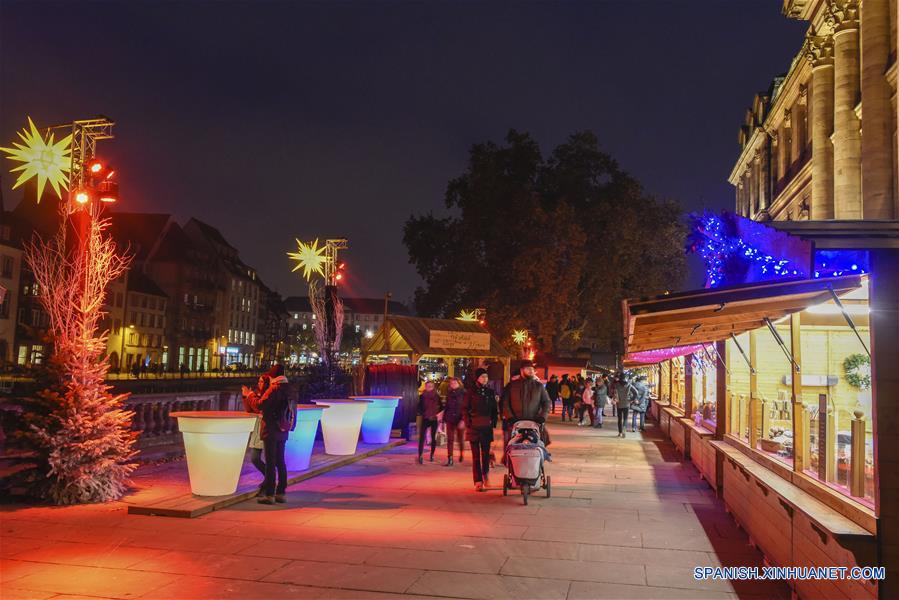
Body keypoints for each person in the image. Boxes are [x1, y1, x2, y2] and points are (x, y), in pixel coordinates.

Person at [253, 364, 291, 504]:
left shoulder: (273, 389)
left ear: (273, 376)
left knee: (270, 463)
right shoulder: (288, 389)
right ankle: (281, 493)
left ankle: (270, 495)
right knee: (280, 461)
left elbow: (260, 405)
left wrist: (250, 395)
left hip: (271, 429)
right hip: (283, 429)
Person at [500, 360, 552, 449]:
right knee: (512, 449)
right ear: (521, 370)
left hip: (534, 423)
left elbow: (546, 402)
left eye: (532, 369)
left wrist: (542, 417)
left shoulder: (539, 386)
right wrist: (510, 417)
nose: (531, 371)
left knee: (537, 448)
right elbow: (505, 403)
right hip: (515, 424)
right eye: (528, 369)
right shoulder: (512, 386)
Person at [463, 368, 499, 491]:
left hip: (486, 427)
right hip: (474, 427)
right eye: (482, 377)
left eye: (486, 377)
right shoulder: (470, 392)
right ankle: (478, 481)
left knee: (485, 455)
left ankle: (485, 475)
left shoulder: (490, 392)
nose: (485, 379)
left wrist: (493, 422)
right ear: (477, 378)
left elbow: (494, 409)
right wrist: (468, 422)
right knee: (475, 456)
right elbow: (464, 409)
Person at [241, 375, 271, 483]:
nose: (259, 383)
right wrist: (246, 397)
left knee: (270, 459)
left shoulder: (268, 394)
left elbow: (259, 407)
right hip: (258, 430)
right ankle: (268, 479)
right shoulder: (257, 393)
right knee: (254, 458)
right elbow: (249, 409)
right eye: (259, 381)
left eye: (262, 382)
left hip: (267, 429)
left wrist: (250, 395)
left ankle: (269, 481)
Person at [417, 380, 443, 464]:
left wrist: (438, 414)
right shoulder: (422, 396)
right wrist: (421, 413)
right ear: (425, 387)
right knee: (422, 437)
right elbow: (419, 407)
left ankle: (432, 454)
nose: (429, 388)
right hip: (425, 418)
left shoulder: (437, 396)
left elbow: (441, 407)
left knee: (433, 437)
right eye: (428, 386)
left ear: (433, 387)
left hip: (434, 418)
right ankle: (420, 455)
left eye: (431, 386)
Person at [443, 377, 466, 466]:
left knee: (460, 439)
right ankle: (450, 458)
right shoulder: (449, 393)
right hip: (450, 418)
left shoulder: (463, 393)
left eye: (454, 383)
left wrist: (463, 420)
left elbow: (466, 408)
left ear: (459, 384)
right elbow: (447, 406)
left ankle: (461, 453)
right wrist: (444, 418)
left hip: (459, 419)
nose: (452, 385)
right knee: (450, 439)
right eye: (451, 383)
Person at [615, 373, 631, 438]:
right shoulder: (629, 385)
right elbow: (636, 392)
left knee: (619, 419)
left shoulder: (616, 385)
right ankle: (624, 430)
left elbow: (613, 393)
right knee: (625, 418)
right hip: (626, 404)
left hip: (619, 404)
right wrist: (631, 399)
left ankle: (620, 432)